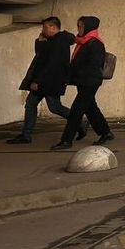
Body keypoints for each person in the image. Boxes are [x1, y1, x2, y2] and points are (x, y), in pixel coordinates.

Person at [9, 17, 81, 144]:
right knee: (31, 104)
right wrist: (40, 41)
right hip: (48, 80)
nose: (43, 30)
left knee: (55, 107)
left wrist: (38, 81)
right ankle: (26, 135)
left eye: (45, 27)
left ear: (53, 27)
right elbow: (40, 56)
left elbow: (50, 64)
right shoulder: (53, 40)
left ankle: (79, 122)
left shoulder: (59, 41)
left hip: (50, 81)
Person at [52, 16, 113, 150]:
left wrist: (75, 71)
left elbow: (93, 65)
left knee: (76, 111)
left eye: (81, 26)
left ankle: (66, 140)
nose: (79, 28)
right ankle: (106, 132)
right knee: (91, 108)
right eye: (78, 25)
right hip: (83, 81)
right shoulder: (83, 41)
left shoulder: (95, 43)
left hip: (90, 82)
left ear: (89, 27)